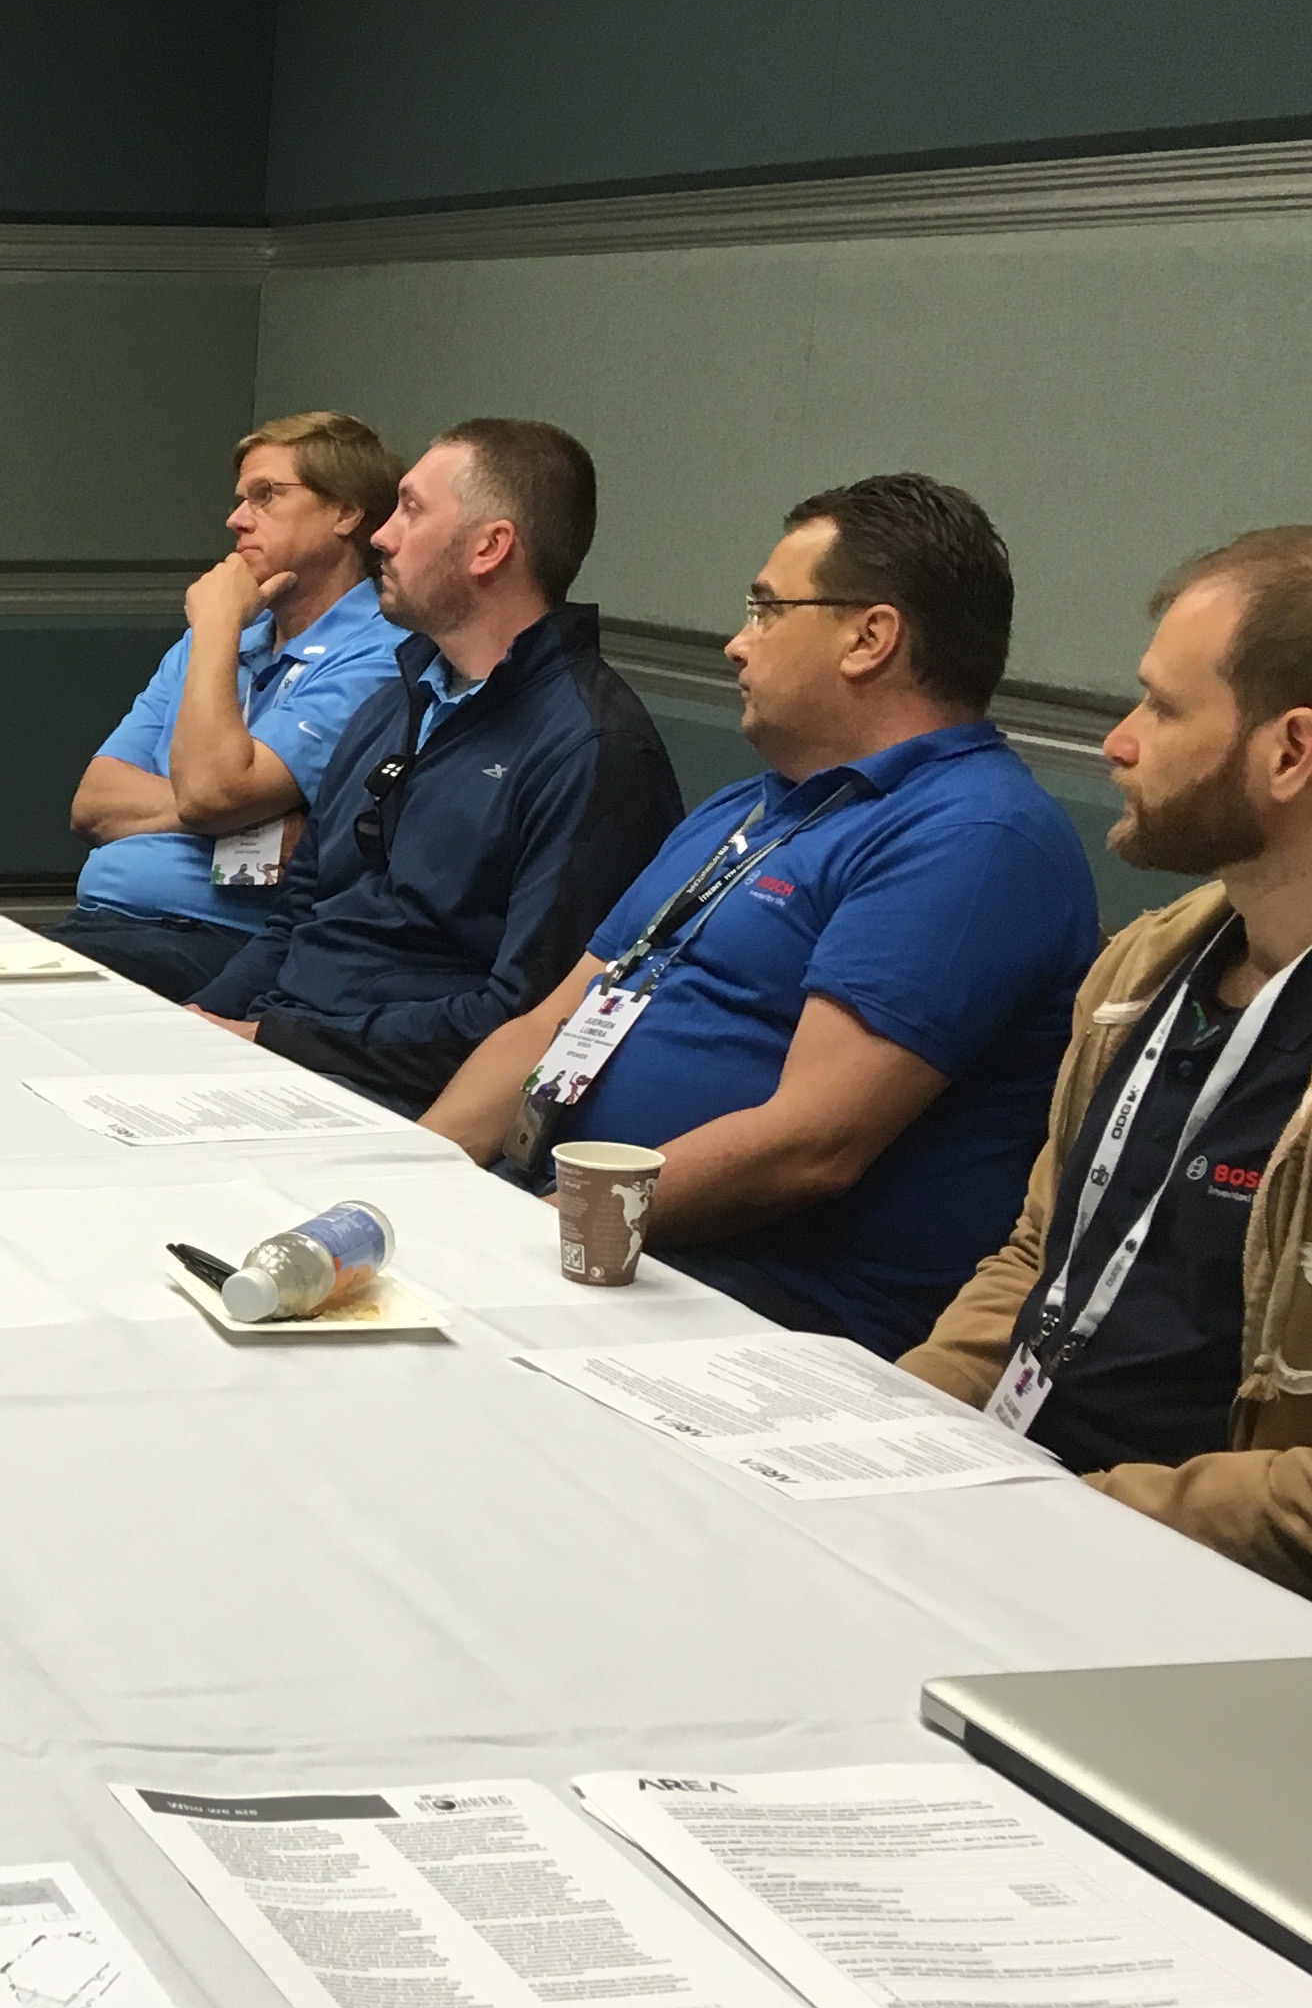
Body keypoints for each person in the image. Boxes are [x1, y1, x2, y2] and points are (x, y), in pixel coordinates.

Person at [900, 528, 1312, 1701]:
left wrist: (1059, 1521)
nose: (1117, 741)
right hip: (1031, 1536)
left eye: (1161, 707)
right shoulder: (1149, 964)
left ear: (1290, 753)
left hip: (1245, 1631)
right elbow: (1040, 1260)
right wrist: (890, 1428)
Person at [418, 475, 1100, 1352]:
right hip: (582, 1234)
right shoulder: (754, 805)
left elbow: (808, 1146)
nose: (737, 644)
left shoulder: (975, 834)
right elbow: (552, 1022)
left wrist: (524, 1241)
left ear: (870, 637)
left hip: (757, 1296)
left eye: (768, 610)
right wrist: (417, 1190)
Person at [191, 419, 683, 1110]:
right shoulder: (396, 702)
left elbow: (523, 1016)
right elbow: (294, 921)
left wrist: (274, 1039)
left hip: (401, 1096)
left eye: (411, 510)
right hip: (288, 1051)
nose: (382, 535)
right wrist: (195, 1025)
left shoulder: (591, 748)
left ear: (490, 548)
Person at [55, 411, 409, 1002]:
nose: (236, 519)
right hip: (104, 920)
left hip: (221, 940)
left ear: (346, 512)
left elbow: (212, 793)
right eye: (241, 498)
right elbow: (93, 804)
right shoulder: (217, 640)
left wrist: (218, 624)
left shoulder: (378, 652)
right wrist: (245, 815)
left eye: (265, 496)